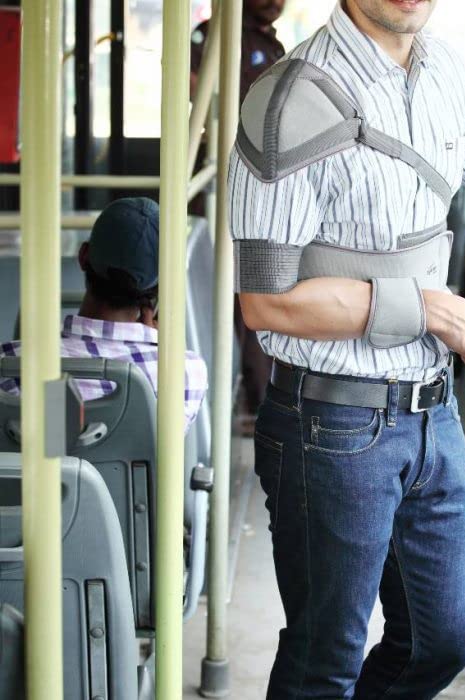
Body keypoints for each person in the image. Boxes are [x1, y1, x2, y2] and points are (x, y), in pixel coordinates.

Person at [229, 0, 465, 696]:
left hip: (431, 411)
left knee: (441, 643)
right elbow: (267, 301)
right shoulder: (289, 98)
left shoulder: (444, 71)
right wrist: (426, 307)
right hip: (330, 422)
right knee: (325, 658)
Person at [0, 197, 208, 433]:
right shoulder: (186, 371)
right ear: (163, 284)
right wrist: (158, 344)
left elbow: (53, 444)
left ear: (83, 256)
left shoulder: (12, 364)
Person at [191, 0, 286, 433]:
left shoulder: (272, 43)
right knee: (235, 294)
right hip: (227, 180)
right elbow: (193, 89)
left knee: (260, 287)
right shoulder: (213, 36)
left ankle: (260, 398)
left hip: (266, 180)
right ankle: (251, 400)